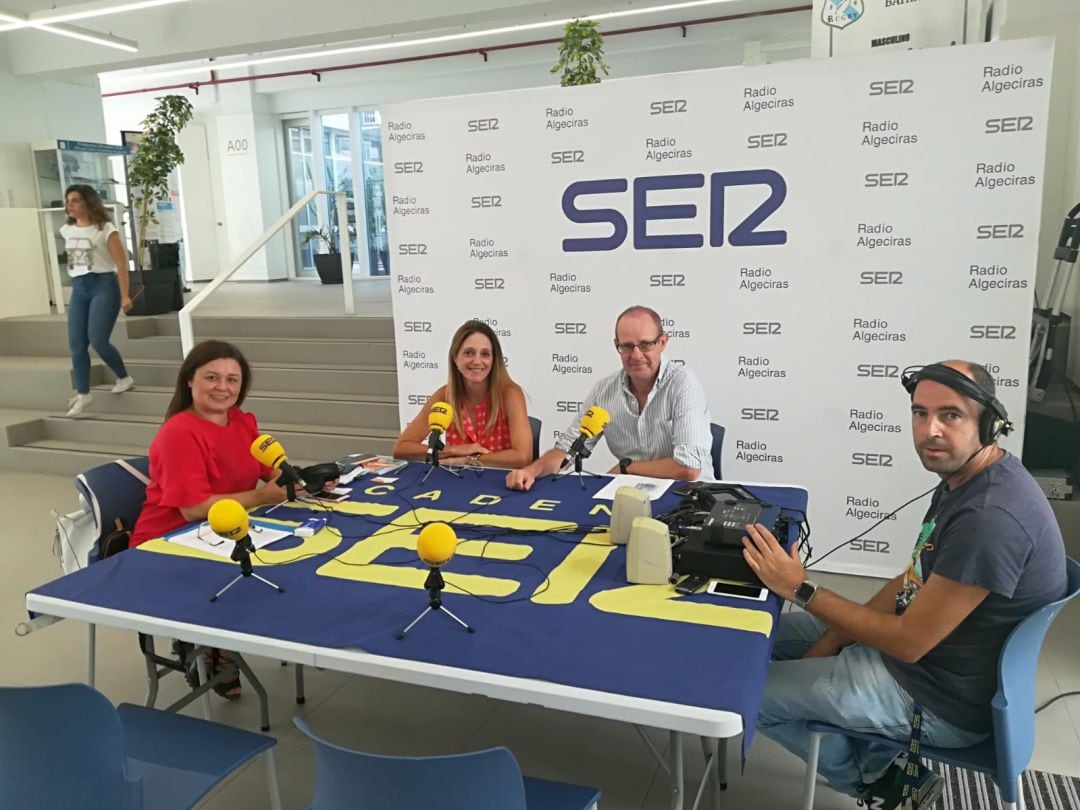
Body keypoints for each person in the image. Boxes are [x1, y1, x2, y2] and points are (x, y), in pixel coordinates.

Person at [743, 360, 1067, 809]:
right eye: (919, 413)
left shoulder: (989, 518)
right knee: (753, 639)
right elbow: (909, 582)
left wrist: (802, 590)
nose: (929, 429)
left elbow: (909, 642)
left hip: (939, 698)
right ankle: (875, 757)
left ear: (989, 424)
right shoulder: (964, 478)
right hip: (931, 662)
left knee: (747, 697)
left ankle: (878, 781)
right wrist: (835, 637)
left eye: (950, 415)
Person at [129, 340, 291, 699]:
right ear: (189, 380)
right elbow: (194, 508)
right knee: (252, 573)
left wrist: (299, 482)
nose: (223, 387)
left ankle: (220, 639)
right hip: (170, 541)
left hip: (230, 527)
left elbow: (269, 469)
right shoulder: (178, 432)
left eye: (232, 379)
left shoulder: (242, 421)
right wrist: (263, 497)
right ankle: (206, 643)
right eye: (212, 377)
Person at [506, 305, 712, 491]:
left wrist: (627, 468)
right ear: (617, 346)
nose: (636, 355)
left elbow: (689, 468)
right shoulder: (604, 390)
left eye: (646, 345)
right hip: (630, 494)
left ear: (663, 342)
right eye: (627, 346)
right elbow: (567, 451)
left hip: (688, 495)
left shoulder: (684, 384)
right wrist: (531, 471)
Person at [393, 319, 533, 469]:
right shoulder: (444, 396)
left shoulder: (510, 394)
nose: (477, 361)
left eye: (485, 354)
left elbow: (522, 458)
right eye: (468, 353)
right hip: (457, 483)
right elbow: (401, 449)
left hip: (503, 485)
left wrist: (468, 460)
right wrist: (452, 450)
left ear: (494, 360)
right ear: (455, 358)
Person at [59, 185, 135, 418]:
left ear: (88, 203)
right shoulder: (66, 230)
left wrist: (124, 294)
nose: (69, 205)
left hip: (104, 286)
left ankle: (124, 376)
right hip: (79, 288)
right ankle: (83, 394)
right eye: (68, 201)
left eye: (75, 201)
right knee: (76, 344)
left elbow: (121, 265)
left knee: (98, 340)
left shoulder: (105, 229)